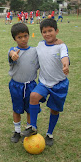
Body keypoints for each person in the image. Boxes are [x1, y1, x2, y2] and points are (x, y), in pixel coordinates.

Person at [21, 18, 70, 147]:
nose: (47, 34)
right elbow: (31, 53)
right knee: (33, 96)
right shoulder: (40, 45)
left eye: (50, 31)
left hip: (59, 84)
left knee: (54, 110)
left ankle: (49, 134)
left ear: (57, 31)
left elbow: (65, 57)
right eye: (44, 31)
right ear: (41, 33)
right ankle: (33, 127)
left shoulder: (61, 46)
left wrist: (65, 65)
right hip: (43, 82)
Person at [8, 23, 40, 143]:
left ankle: (29, 128)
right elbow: (11, 53)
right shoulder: (13, 51)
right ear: (15, 39)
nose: (23, 39)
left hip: (31, 85)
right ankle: (17, 131)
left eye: (25, 36)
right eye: (19, 37)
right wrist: (13, 55)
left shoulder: (34, 51)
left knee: (30, 108)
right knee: (17, 109)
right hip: (16, 85)